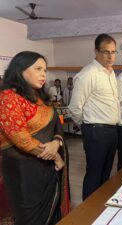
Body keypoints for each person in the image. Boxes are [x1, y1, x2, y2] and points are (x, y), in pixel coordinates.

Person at [0, 51, 70, 225]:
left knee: (52, 213)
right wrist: (56, 155)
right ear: (20, 70)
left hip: (47, 168)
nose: (43, 74)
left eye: (45, 70)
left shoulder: (41, 98)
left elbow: (57, 126)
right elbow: (21, 139)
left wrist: (57, 142)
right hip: (24, 172)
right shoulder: (8, 97)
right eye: (38, 69)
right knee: (30, 218)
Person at [68, 33, 120, 200]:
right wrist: (87, 126)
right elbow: (74, 107)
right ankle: (87, 212)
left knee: (106, 173)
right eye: (106, 52)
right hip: (96, 130)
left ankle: (99, 208)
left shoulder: (110, 72)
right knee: (94, 173)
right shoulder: (88, 73)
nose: (111, 56)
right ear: (96, 51)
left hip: (111, 130)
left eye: (113, 52)